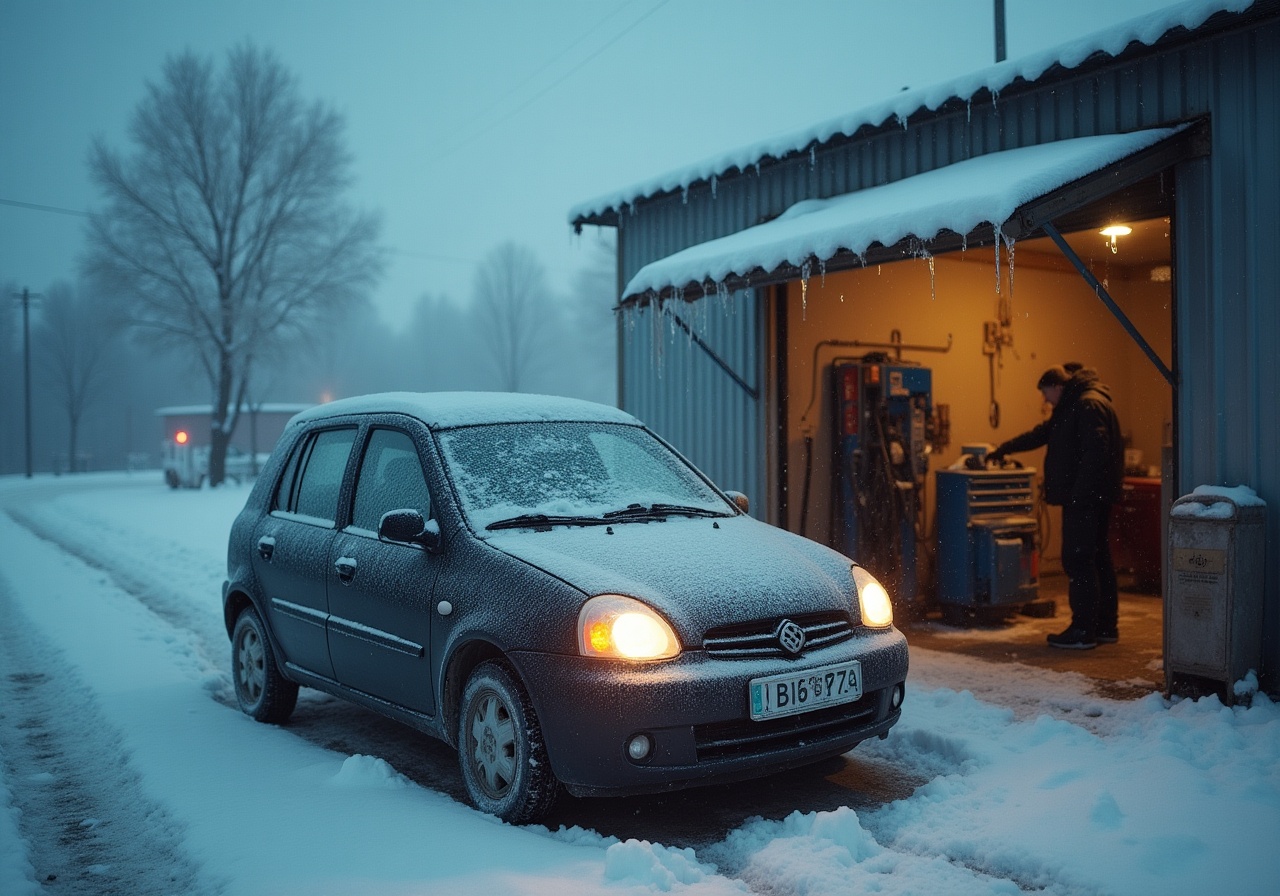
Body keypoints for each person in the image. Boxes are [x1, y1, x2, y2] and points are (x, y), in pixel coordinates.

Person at [990, 364, 1124, 649]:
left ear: (1058, 387)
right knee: (1097, 558)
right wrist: (1004, 448)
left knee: (1079, 560)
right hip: (1093, 497)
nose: (1045, 400)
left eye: (1046, 393)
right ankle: (1104, 626)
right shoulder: (1079, 405)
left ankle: (1083, 630)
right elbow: (1042, 434)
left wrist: (1079, 494)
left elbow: (1095, 453)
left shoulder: (1085, 405)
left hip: (1085, 500)